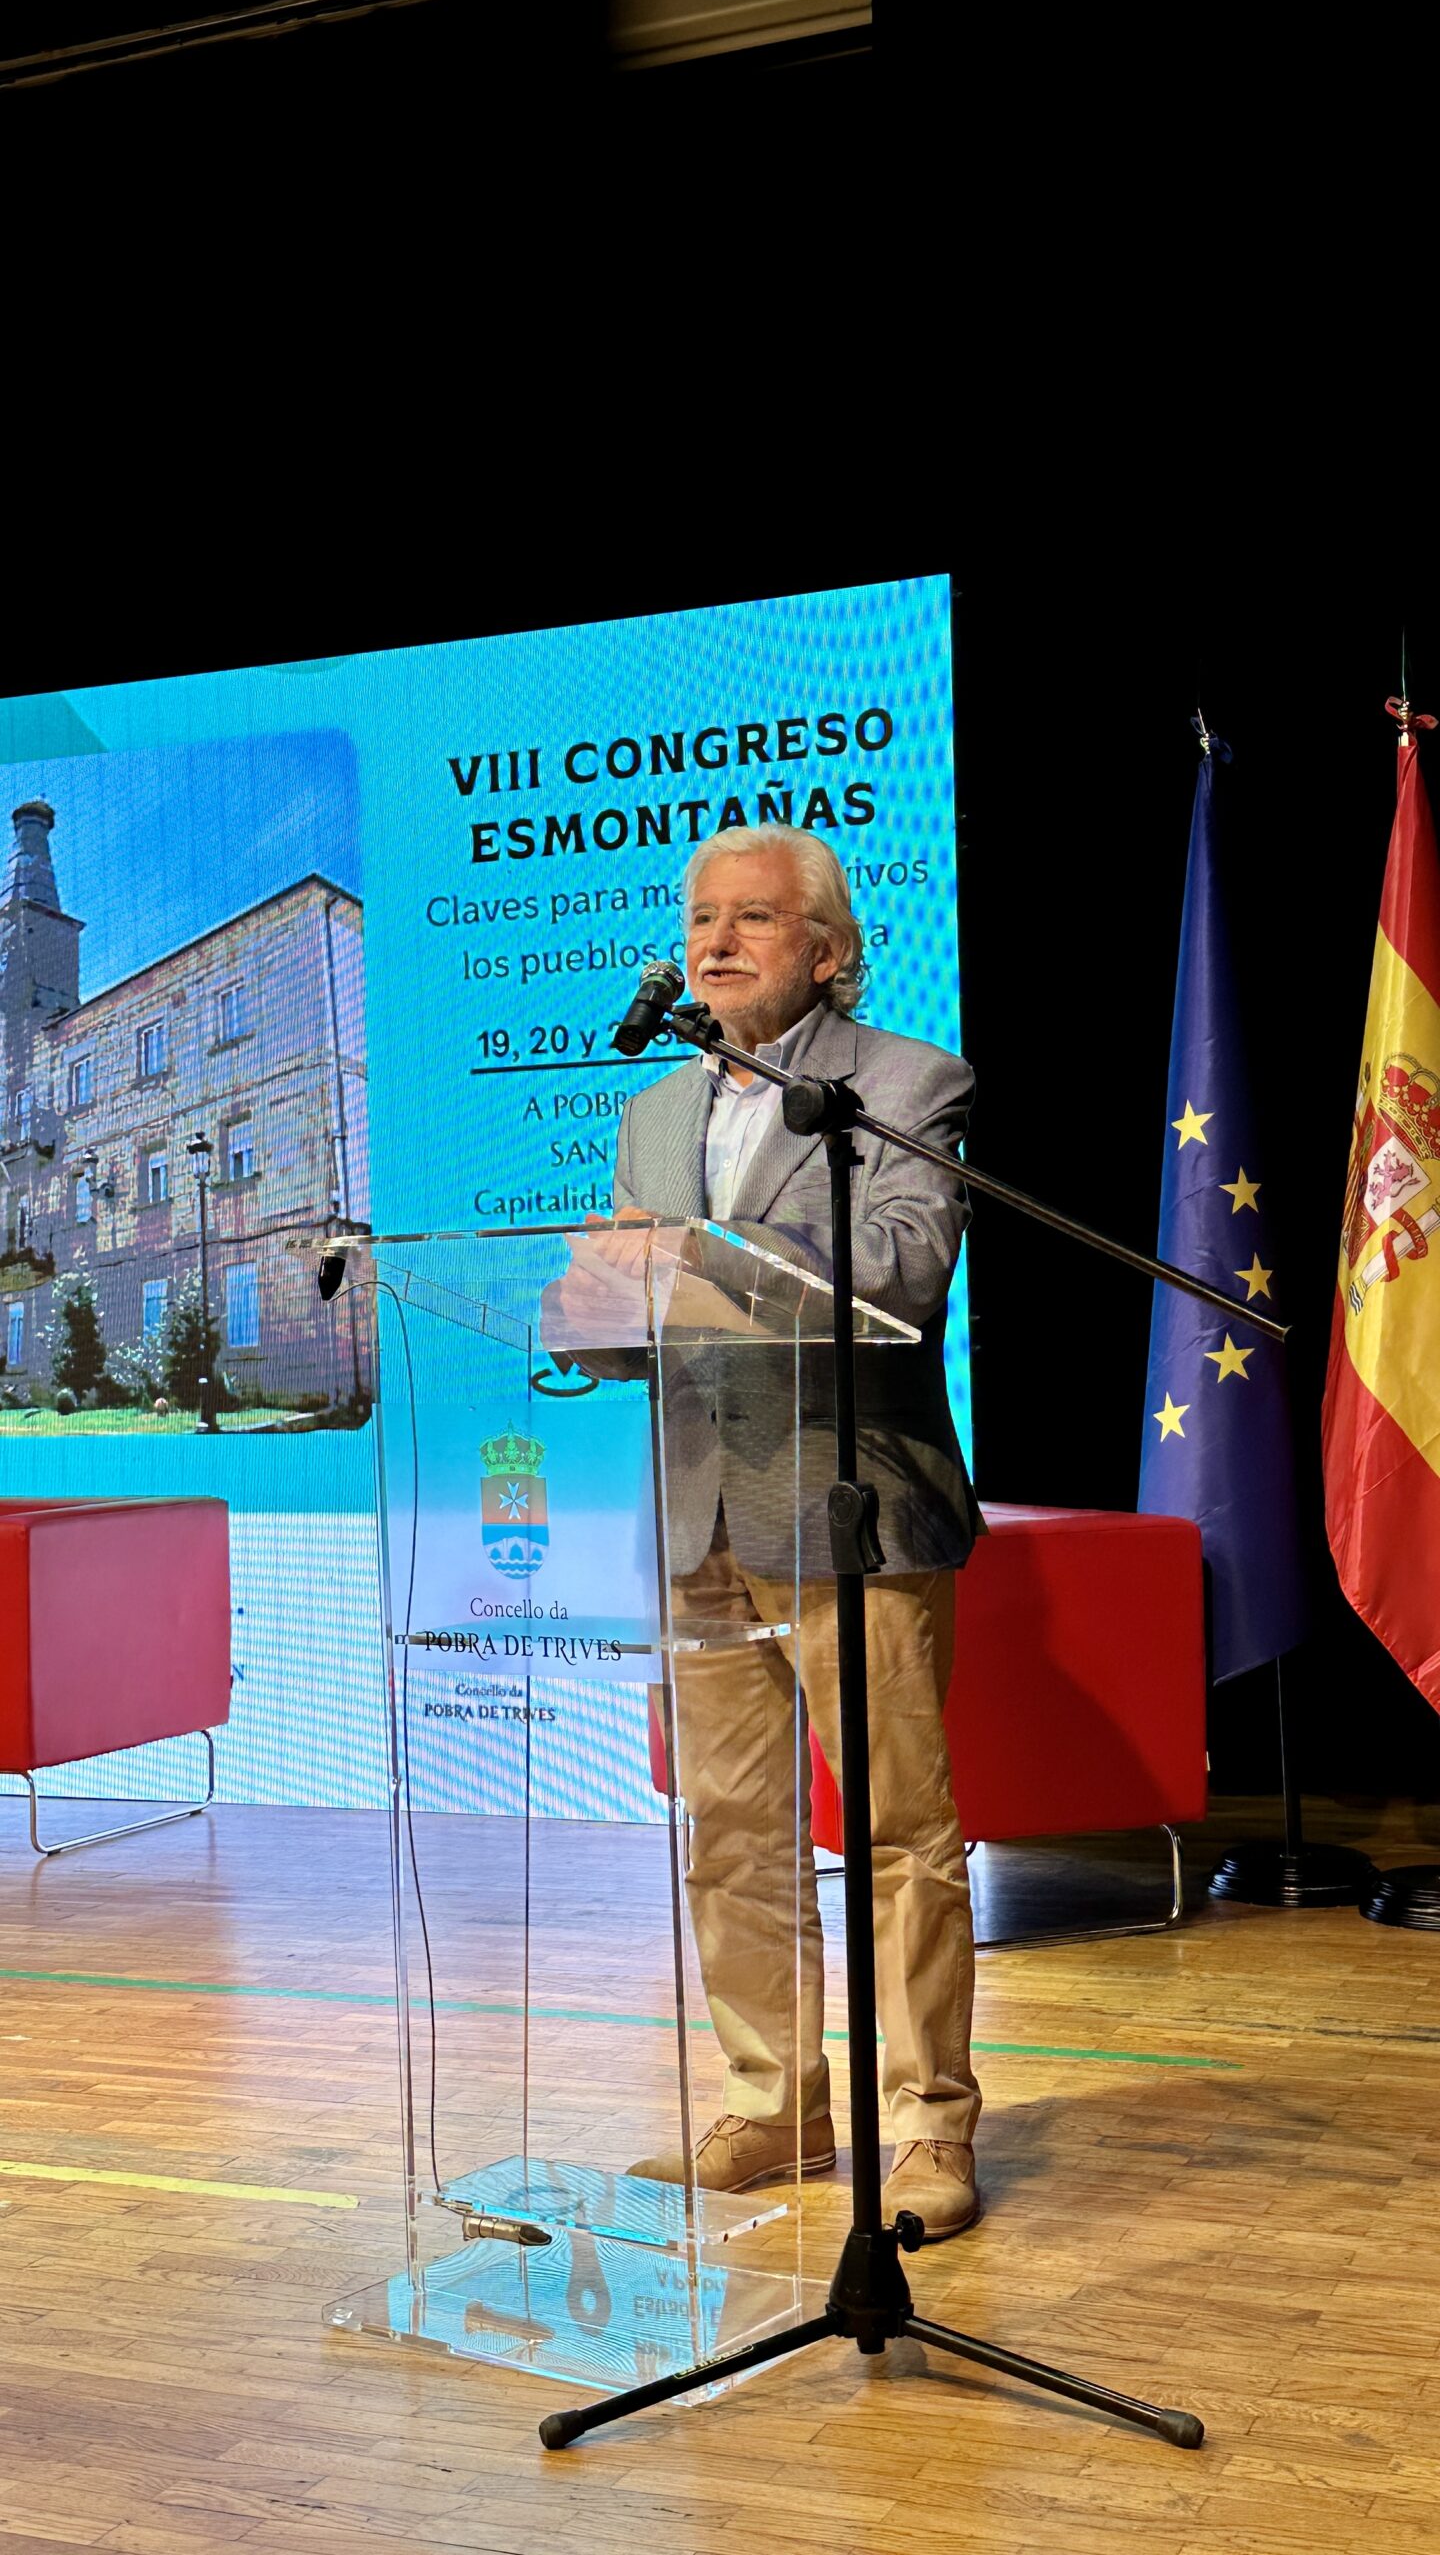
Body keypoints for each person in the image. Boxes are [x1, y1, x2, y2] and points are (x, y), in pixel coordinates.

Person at [576, 822, 984, 2241]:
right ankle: (776, 2102)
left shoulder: (903, 1085)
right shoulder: (652, 1117)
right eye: (701, 918)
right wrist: (594, 1317)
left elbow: (903, 1273)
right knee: (732, 1833)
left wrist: (695, 1262)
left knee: (897, 1835)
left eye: (751, 918)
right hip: (698, 1515)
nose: (716, 940)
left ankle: (929, 2124)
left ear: (826, 949)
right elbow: (647, 1320)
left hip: (848, 1504)